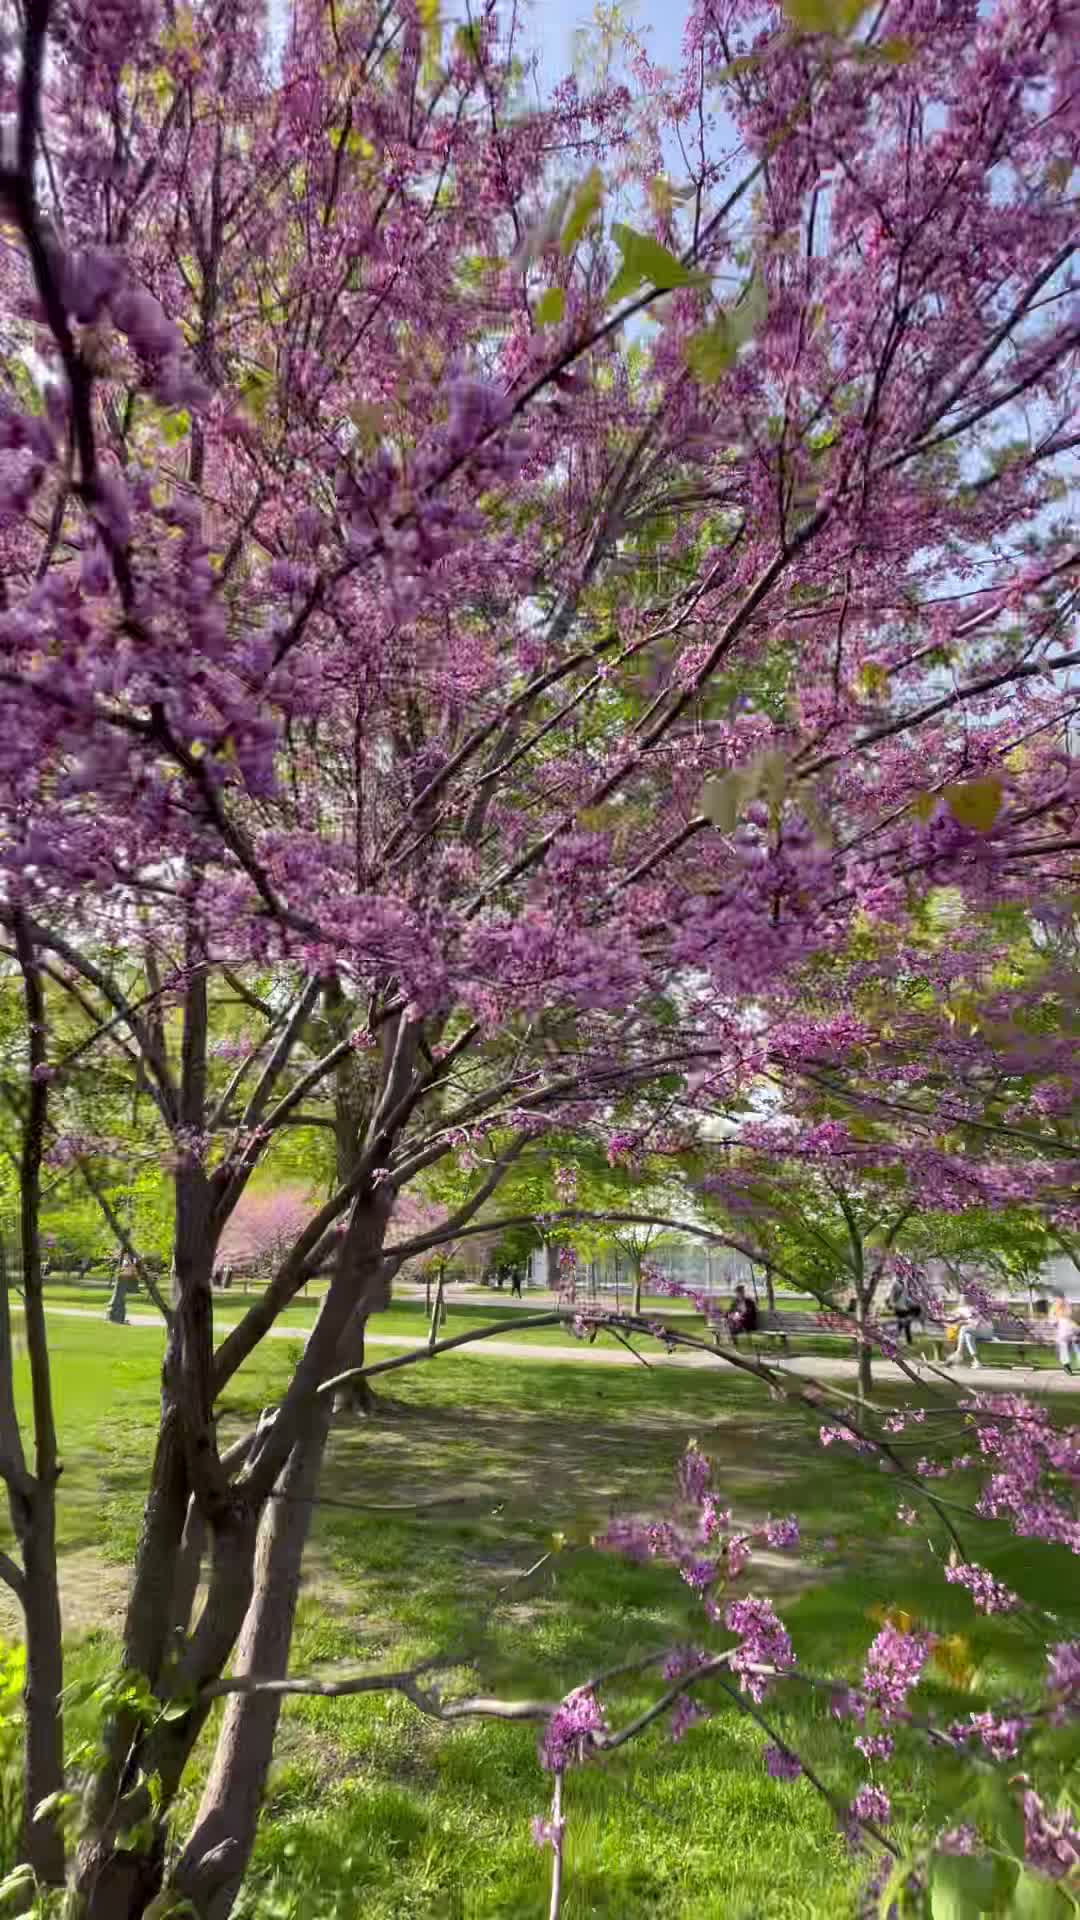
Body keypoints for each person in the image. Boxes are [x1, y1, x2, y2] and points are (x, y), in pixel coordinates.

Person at [946, 1300, 981, 1369]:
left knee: (963, 1329)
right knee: (968, 1336)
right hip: (965, 1332)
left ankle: (959, 1352)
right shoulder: (959, 1310)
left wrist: (962, 1321)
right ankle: (976, 1361)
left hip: (978, 1330)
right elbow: (951, 1320)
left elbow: (975, 1322)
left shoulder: (971, 1309)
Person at [888, 1275, 920, 1345]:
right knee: (903, 1325)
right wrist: (893, 1305)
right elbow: (892, 1296)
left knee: (904, 1325)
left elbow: (906, 1296)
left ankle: (897, 1339)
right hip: (899, 1308)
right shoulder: (896, 1285)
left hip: (905, 1308)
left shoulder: (904, 1284)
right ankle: (899, 1339)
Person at [1051, 1296, 1078, 1375]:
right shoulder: (1057, 1315)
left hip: (1073, 1336)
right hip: (1063, 1337)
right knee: (1064, 1347)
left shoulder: (1069, 1314)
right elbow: (1054, 1323)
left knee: (1077, 1346)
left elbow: (1075, 1325)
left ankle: (1068, 1364)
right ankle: (1066, 1365)